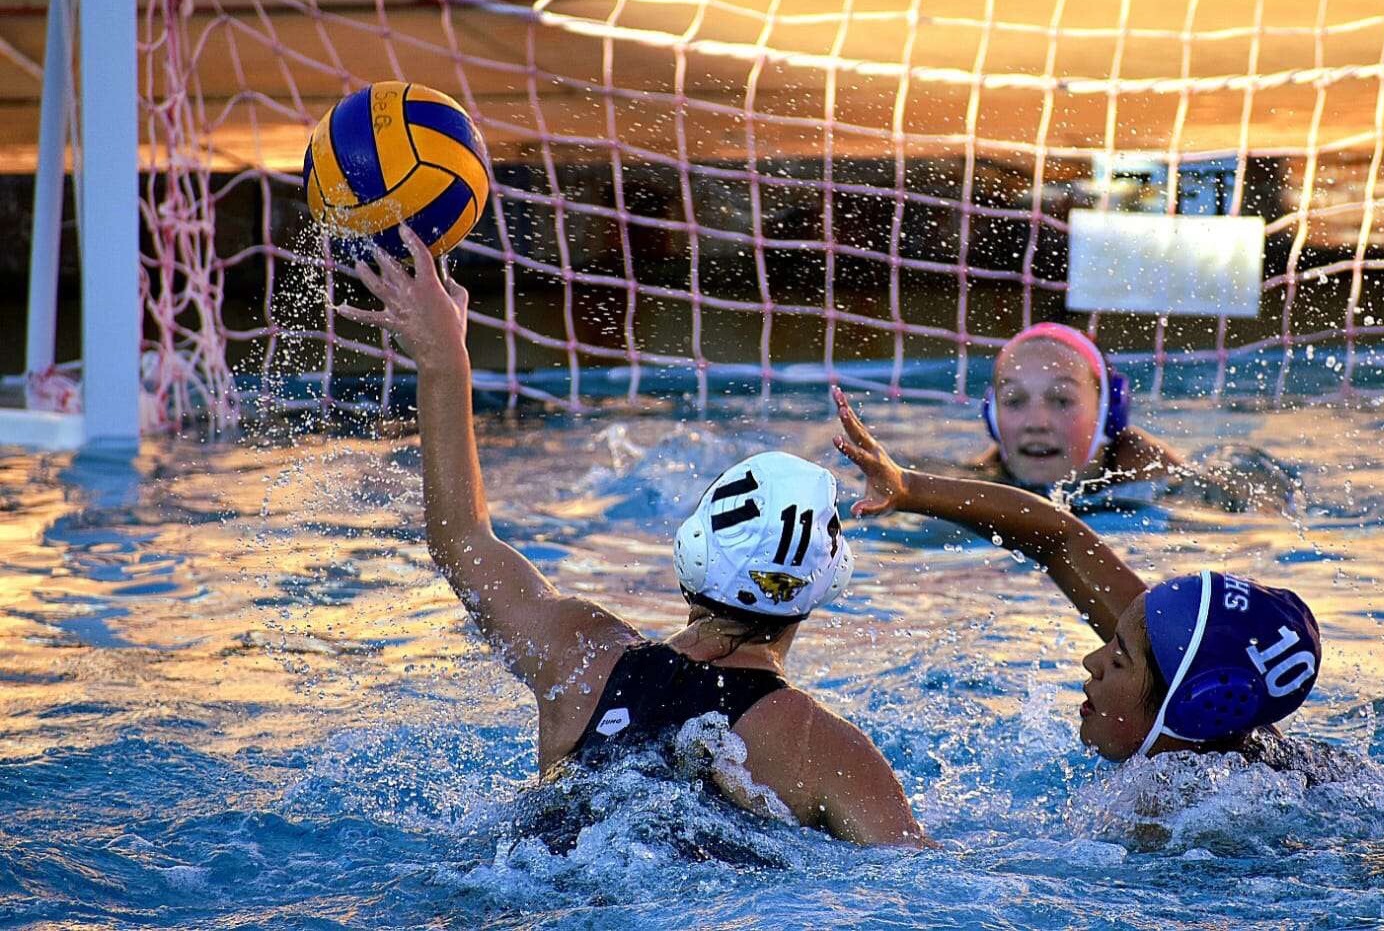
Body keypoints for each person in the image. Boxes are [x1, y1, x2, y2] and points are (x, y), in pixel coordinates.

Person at [335, 226, 929, 847]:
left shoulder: (580, 654)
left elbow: (461, 540)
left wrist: (443, 359)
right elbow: (916, 878)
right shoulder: (826, 750)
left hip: (531, 874)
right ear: (826, 582)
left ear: (693, 551)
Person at [835, 387, 1321, 762]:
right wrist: (909, 488)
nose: (1092, 660)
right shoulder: (1189, 692)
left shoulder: (1191, 824)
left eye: (1119, 659)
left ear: (1193, 707)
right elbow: (1059, 537)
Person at [974, 323, 1297, 511]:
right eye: (1014, 400)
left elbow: (1259, 521)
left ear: (1109, 413)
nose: (1036, 422)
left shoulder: (1158, 479)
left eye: (1061, 400)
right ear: (992, 415)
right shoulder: (978, 482)